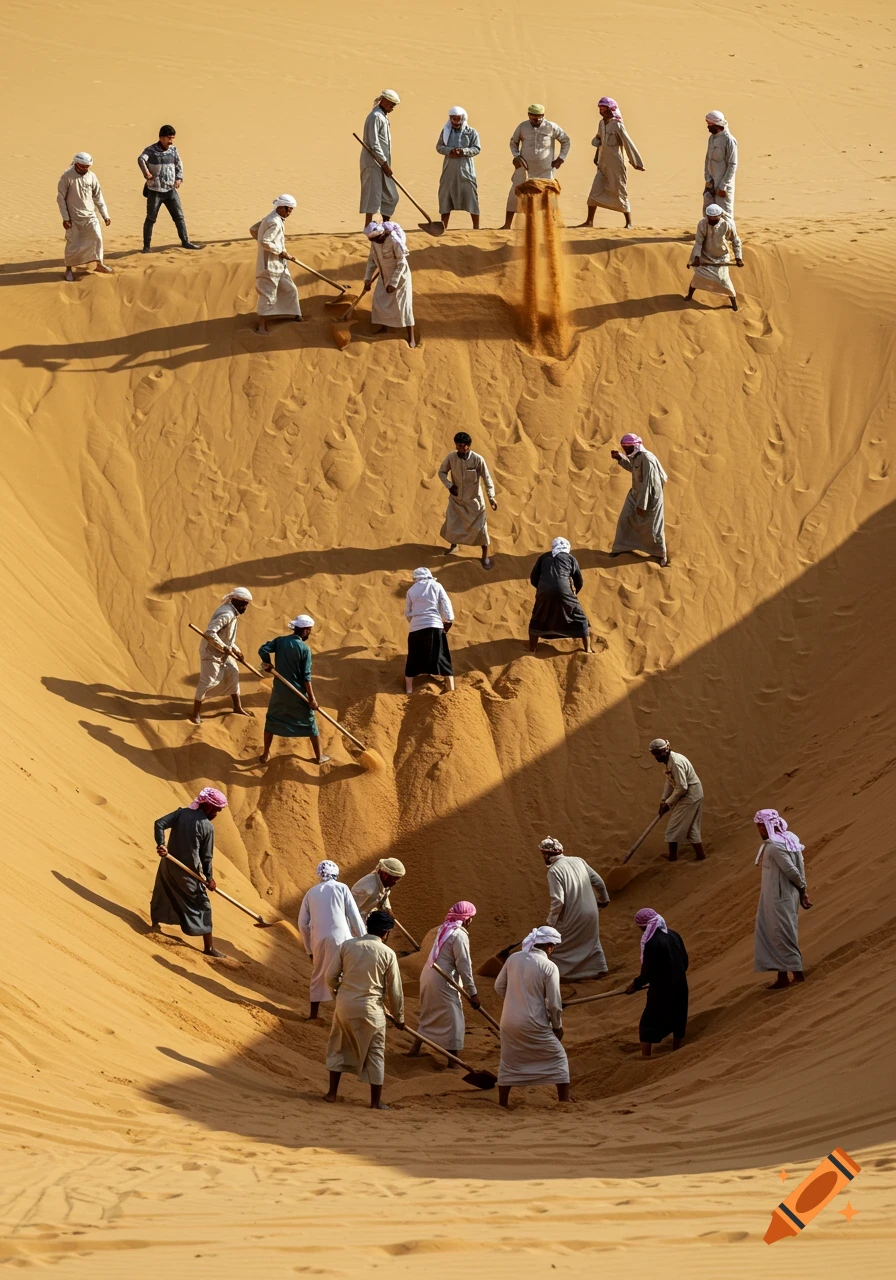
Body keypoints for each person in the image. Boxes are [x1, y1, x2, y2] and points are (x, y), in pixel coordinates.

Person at [324, 909, 405, 1110]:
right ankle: (375, 1102)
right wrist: (399, 1016)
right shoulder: (388, 953)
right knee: (376, 1051)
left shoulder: (348, 945)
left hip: (345, 1005)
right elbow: (395, 990)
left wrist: (338, 994)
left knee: (339, 1045)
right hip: (371, 1009)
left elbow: (329, 976)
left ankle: (332, 1094)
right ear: (386, 933)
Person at [495, 925, 570, 1108]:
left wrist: (515, 1000)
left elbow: (498, 986)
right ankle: (564, 1102)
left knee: (509, 1061)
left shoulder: (513, 958)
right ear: (550, 946)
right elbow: (554, 1004)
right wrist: (557, 1026)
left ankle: (502, 1103)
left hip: (508, 1021)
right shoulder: (549, 966)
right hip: (533, 1021)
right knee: (559, 1059)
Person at [151, 786, 228, 957]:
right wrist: (209, 879)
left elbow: (159, 823)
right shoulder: (207, 827)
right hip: (188, 874)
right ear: (207, 806)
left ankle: (154, 924)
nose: (216, 814)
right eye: (216, 810)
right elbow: (206, 857)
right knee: (204, 906)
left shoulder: (181, 813)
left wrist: (161, 844)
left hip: (168, 865)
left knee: (163, 892)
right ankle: (209, 948)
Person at [409, 901, 480, 1060]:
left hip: (429, 975)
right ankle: (453, 1061)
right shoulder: (459, 935)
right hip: (442, 980)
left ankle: (415, 1049)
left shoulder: (444, 928)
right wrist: (473, 993)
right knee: (454, 1020)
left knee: (429, 1013)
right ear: (467, 919)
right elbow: (464, 966)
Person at [753, 808, 813, 990]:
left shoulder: (774, 846)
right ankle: (782, 976)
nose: (759, 830)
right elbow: (799, 867)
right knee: (776, 932)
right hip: (781, 895)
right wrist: (802, 890)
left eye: (760, 826)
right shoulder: (790, 839)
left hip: (780, 897)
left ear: (766, 826)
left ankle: (797, 974)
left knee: (783, 933)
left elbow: (791, 871)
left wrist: (803, 889)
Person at [298, 860, 366, 1019]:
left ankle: (313, 1015)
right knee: (346, 975)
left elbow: (302, 924)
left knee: (318, 974)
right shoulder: (342, 888)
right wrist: (364, 939)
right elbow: (354, 915)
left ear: (319, 874)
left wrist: (309, 950)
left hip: (318, 940)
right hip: (342, 938)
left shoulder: (311, 893)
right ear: (336, 873)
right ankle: (346, 1015)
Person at [258, 614, 328, 766]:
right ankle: (319, 757)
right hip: (298, 694)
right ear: (305, 630)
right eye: (309, 630)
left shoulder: (280, 641)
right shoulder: (304, 649)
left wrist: (267, 663)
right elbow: (306, 677)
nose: (309, 633)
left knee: (272, 719)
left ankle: (265, 755)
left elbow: (263, 649)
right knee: (310, 723)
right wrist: (312, 699)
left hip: (280, 692)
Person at [540, 838, 610, 980]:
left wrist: (551, 922)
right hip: (592, 912)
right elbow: (599, 882)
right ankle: (599, 969)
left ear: (547, 855)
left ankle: (561, 975)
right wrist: (604, 900)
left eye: (543, 854)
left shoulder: (554, 871)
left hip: (573, 915)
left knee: (558, 944)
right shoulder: (579, 860)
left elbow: (558, 900)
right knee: (591, 939)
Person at [624, 908, 689, 1056]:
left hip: (661, 990)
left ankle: (645, 1057)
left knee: (648, 1023)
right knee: (679, 1017)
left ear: (643, 926)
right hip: (680, 984)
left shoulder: (651, 943)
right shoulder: (673, 934)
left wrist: (635, 985)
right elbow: (685, 962)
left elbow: (648, 972)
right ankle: (677, 1049)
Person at [191, 588, 253, 726]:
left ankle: (237, 707)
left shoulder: (233, 613)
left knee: (233, 674)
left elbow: (227, 638)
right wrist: (224, 648)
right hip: (211, 652)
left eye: (246, 605)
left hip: (224, 651)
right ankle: (195, 713)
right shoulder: (226, 614)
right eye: (243, 604)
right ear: (236, 601)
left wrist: (237, 651)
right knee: (208, 681)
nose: (245, 608)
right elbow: (210, 633)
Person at [502, 105, 570, 230]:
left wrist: (561, 158)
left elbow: (565, 140)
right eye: (533, 118)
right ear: (528, 115)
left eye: (538, 118)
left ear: (542, 116)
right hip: (524, 168)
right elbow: (513, 142)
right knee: (515, 193)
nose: (535, 120)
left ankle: (552, 222)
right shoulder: (522, 127)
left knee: (548, 194)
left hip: (545, 169)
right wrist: (516, 156)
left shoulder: (551, 127)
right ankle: (507, 224)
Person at [580, 98, 644, 229]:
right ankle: (589, 222)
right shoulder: (601, 123)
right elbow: (600, 140)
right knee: (595, 190)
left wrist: (635, 162)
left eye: (604, 108)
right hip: (602, 164)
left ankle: (629, 222)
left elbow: (627, 143)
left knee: (620, 190)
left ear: (611, 110)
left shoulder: (617, 125)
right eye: (600, 108)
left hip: (616, 164)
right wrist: (596, 156)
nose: (601, 111)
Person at [438, 432, 498, 569]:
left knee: (481, 530)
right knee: (453, 524)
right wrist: (449, 485)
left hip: (474, 503)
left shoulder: (477, 460)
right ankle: (453, 546)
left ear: (468, 446)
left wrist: (491, 497)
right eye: (457, 445)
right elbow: (441, 472)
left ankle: (485, 557)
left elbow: (487, 479)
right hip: (456, 500)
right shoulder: (451, 457)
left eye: (462, 446)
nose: (459, 448)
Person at [138, 125, 201, 252]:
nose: (171, 141)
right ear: (161, 138)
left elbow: (178, 164)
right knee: (150, 219)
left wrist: (179, 178)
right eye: (168, 138)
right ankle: (146, 247)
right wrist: (146, 173)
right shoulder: (151, 150)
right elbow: (141, 159)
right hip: (155, 190)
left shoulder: (173, 150)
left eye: (172, 138)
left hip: (170, 190)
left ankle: (185, 241)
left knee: (179, 217)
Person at [610, 433, 669, 566]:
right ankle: (621, 548)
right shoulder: (637, 457)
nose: (626, 451)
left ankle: (660, 554)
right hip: (635, 494)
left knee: (653, 528)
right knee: (625, 519)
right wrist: (620, 458)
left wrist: (642, 505)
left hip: (650, 499)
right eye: (624, 448)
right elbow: (634, 469)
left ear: (636, 446)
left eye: (628, 448)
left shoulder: (647, 458)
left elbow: (648, 483)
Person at [528, 538, 592, 653]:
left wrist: (543, 589)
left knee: (538, 617)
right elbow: (579, 582)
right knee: (580, 618)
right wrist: (572, 596)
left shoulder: (543, 557)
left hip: (543, 592)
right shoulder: (571, 559)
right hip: (565, 591)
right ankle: (588, 650)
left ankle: (532, 649)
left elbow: (533, 578)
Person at [57, 152, 112, 282]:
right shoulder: (67, 176)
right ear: (76, 163)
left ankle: (99, 264)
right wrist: (65, 218)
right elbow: (60, 199)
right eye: (83, 166)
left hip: (90, 216)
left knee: (97, 238)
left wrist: (105, 215)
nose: (85, 169)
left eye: (87, 166)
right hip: (73, 218)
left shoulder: (92, 176)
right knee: (73, 243)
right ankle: (69, 269)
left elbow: (98, 196)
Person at [648, 739, 706, 861]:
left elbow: (682, 787)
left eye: (658, 753)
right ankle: (701, 856)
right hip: (692, 794)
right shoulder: (669, 761)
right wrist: (664, 800)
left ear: (666, 750)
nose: (656, 756)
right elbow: (670, 781)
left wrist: (668, 804)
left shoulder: (676, 763)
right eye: (654, 754)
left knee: (671, 829)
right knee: (692, 828)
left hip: (690, 796)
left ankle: (672, 857)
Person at [360, 221, 416, 348]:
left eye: (375, 239)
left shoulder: (394, 241)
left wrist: (394, 283)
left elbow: (401, 263)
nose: (373, 242)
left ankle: (411, 337)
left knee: (404, 306)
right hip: (384, 276)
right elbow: (371, 261)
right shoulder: (375, 243)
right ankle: (384, 327)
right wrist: (367, 279)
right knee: (379, 301)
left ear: (382, 235)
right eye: (371, 240)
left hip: (400, 278)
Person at [253, 195, 302, 335]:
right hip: (270, 266)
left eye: (291, 210)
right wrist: (280, 252)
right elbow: (265, 241)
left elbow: (253, 229)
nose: (289, 213)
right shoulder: (273, 221)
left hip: (280, 265)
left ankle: (296, 314)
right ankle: (261, 326)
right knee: (267, 294)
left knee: (290, 289)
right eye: (289, 209)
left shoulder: (273, 218)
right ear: (281, 207)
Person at [404, 567, 455, 694]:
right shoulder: (436, 585)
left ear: (415, 578)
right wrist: (448, 620)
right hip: (434, 625)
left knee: (413, 657)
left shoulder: (411, 590)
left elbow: (407, 613)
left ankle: (409, 689)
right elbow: (445, 603)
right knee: (442, 656)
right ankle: (451, 689)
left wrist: (414, 623)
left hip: (415, 628)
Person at [687, 204, 744, 311]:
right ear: (707, 216)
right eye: (710, 219)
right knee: (698, 277)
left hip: (721, 257)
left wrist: (738, 258)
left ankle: (733, 303)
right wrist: (697, 258)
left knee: (724, 280)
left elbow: (736, 241)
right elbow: (698, 242)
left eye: (714, 220)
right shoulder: (702, 224)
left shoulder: (727, 224)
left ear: (719, 216)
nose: (711, 222)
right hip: (705, 255)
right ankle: (689, 296)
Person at [360, 90, 400, 226]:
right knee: (372, 195)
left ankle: (385, 224)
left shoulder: (383, 116)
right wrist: (383, 163)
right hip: (374, 162)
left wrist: (385, 163)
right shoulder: (375, 116)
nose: (393, 108)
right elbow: (374, 143)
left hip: (382, 163)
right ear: (384, 101)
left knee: (391, 196)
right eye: (391, 104)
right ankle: (368, 226)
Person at [437, 106, 481, 229]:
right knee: (445, 195)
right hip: (449, 170)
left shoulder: (471, 132)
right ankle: (443, 227)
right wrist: (450, 151)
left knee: (471, 195)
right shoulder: (446, 132)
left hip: (466, 169)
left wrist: (463, 151)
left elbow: (477, 148)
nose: (455, 122)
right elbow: (439, 147)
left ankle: (476, 228)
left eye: (458, 119)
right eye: (453, 119)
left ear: (463, 119)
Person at [703, 110, 737, 217]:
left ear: (716, 125)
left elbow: (732, 164)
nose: (708, 127)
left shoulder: (729, 140)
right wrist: (708, 180)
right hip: (711, 183)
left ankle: (729, 233)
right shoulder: (711, 138)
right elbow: (708, 160)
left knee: (725, 213)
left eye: (709, 125)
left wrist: (723, 186)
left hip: (723, 184)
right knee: (708, 211)